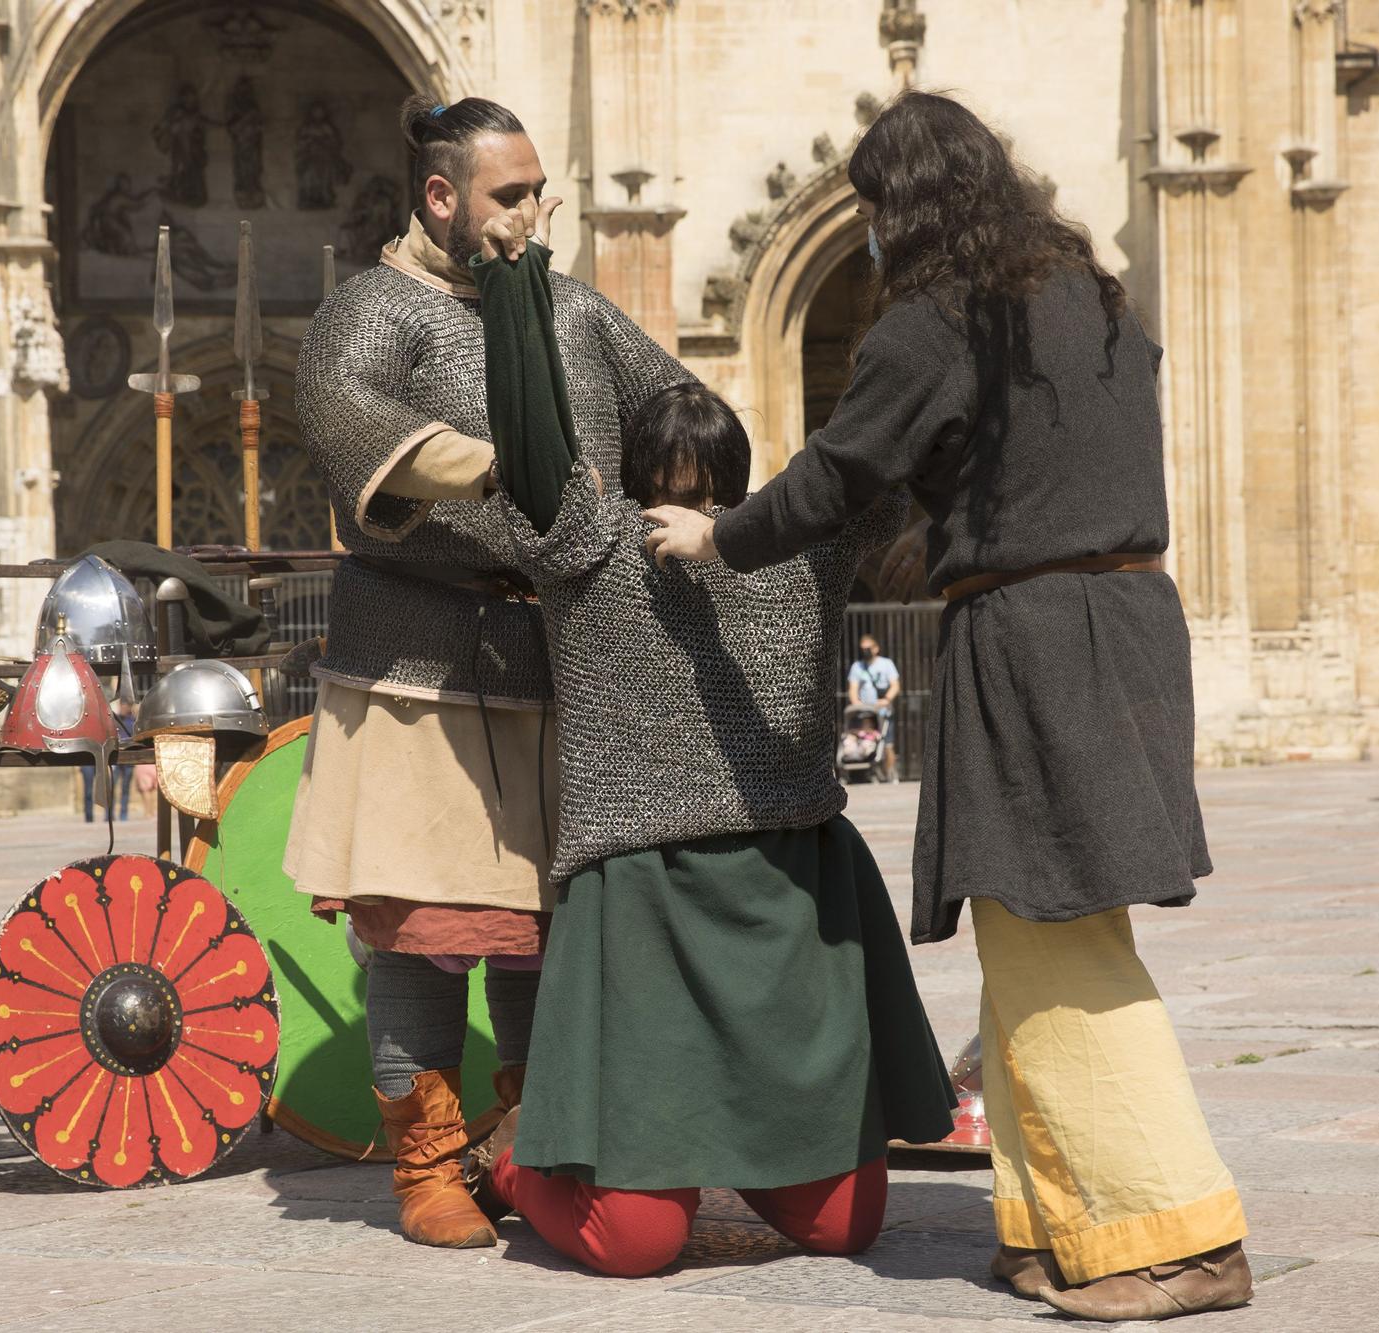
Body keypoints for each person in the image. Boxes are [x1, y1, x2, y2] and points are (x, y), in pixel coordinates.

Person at [644, 91, 1251, 1321]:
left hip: (1037, 640)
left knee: (1066, 935)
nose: (867, 236)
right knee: (1024, 927)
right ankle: (1053, 1224)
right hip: (1125, 623)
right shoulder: (1089, 290)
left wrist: (718, 537)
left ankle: (1179, 1231)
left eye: (872, 211)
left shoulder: (935, 317)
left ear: (899, 206)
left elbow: (839, 469)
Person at [457, 215, 952, 1277]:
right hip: (642, 900)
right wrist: (512, 292)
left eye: (707, 489)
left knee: (843, 1225)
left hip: (789, 891)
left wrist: (931, 277)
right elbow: (533, 445)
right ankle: (516, 1162)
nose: (685, 505)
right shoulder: (585, 548)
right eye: (669, 487)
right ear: (634, 482)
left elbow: (889, 447)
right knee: (635, 1244)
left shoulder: (801, 546)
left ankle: (725, 1153)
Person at [283, 94, 689, 1251]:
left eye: (537, 189)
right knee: (420, 928)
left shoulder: (568, 307)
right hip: (414, 662)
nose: (533, 211)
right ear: (441, 197)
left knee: (536, 927)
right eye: (509, 195)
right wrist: (516, 466)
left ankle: (527, 1145)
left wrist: (697, 452)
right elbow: (344, 414)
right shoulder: (374, 311)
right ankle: (426, 1160)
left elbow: (673, 402)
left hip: (554, 660)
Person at [847, 633, 902, 780]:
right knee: (867, 742)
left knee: (887, 744)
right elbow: (853, 688)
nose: (866, 651)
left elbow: (895, 685)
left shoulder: (886, 664)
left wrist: (886, 699)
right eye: (863, 648)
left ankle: (890, 774)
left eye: (868, 648)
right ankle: (871, 773)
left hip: (883, 711)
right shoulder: (857, 667)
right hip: (866, 713)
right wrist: (856, 703)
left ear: (876, 648)